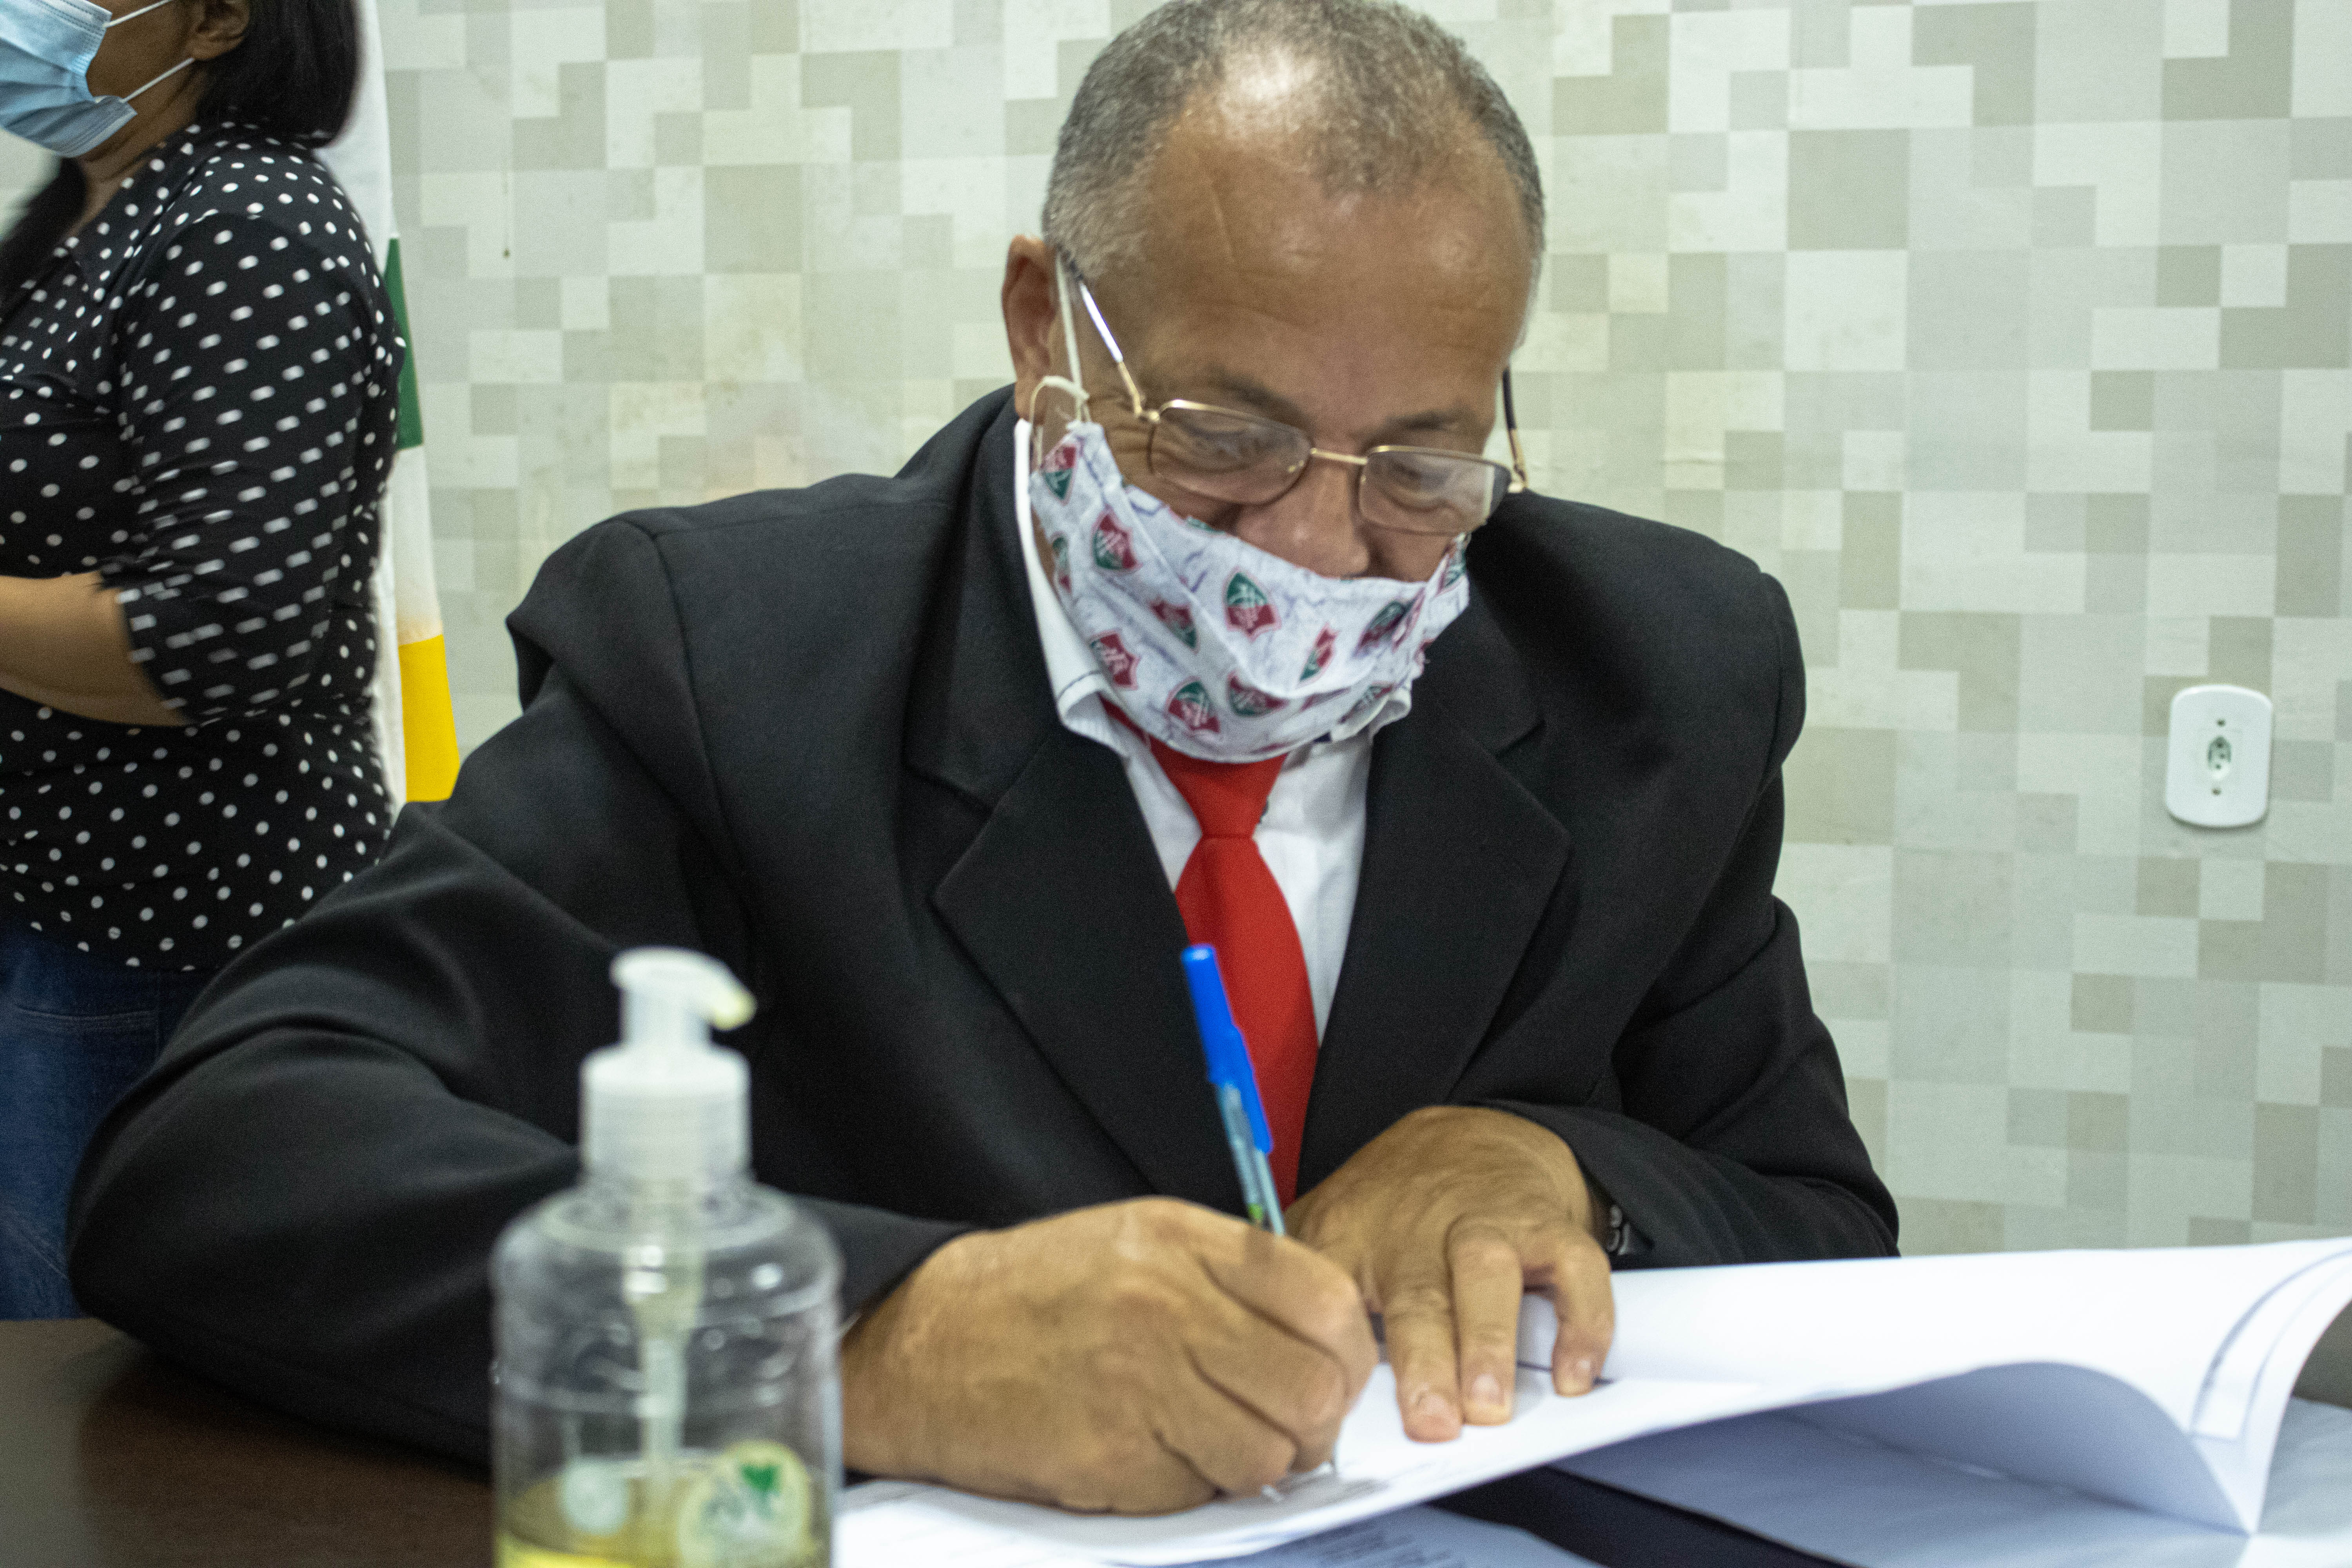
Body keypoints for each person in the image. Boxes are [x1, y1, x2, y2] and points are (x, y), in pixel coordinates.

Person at [69, 0, 1894, 1514]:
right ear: (1046, 330)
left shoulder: (1658, 678)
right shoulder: (736, 663)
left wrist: (1564, 1170)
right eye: (1226, 439)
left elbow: (1819, 1226)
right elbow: (227, 1154)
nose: (1318, 552)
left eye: (1421, 467)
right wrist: (874, 1338)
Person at [0, 0, 403, 1320]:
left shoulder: (244, 225)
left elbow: (218, 630)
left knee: (93, 1389)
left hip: (166, 941)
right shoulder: (88, 219)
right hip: (54, 913)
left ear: (221, 19)